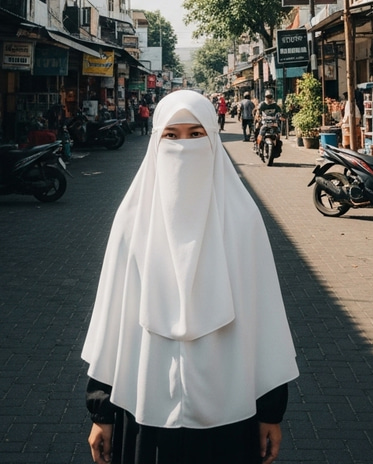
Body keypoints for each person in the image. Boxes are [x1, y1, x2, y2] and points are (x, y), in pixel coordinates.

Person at [82, 90, 298, 464]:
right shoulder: (132, 222)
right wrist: (101, 413)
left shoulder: (243, 220)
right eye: (172, 135)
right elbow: (112, 321)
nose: (184, 146)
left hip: (230, 416)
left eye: (196, 135)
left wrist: (270, 413)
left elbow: (265, 324)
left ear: (214, 139)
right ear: (156, 142)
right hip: (145, 412)